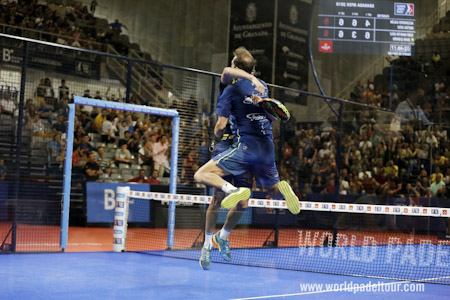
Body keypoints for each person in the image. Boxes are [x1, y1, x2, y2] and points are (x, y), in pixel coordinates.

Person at [194, 47, 300, 269]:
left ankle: (221, 236)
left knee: (242, 202)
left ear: (235, 66)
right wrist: (253, 77)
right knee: (215, 199)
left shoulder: (250, 88)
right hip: (231, 145)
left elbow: (222, 123)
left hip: (241, 145)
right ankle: (206, 244)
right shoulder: (240, 85)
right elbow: (227, 73)